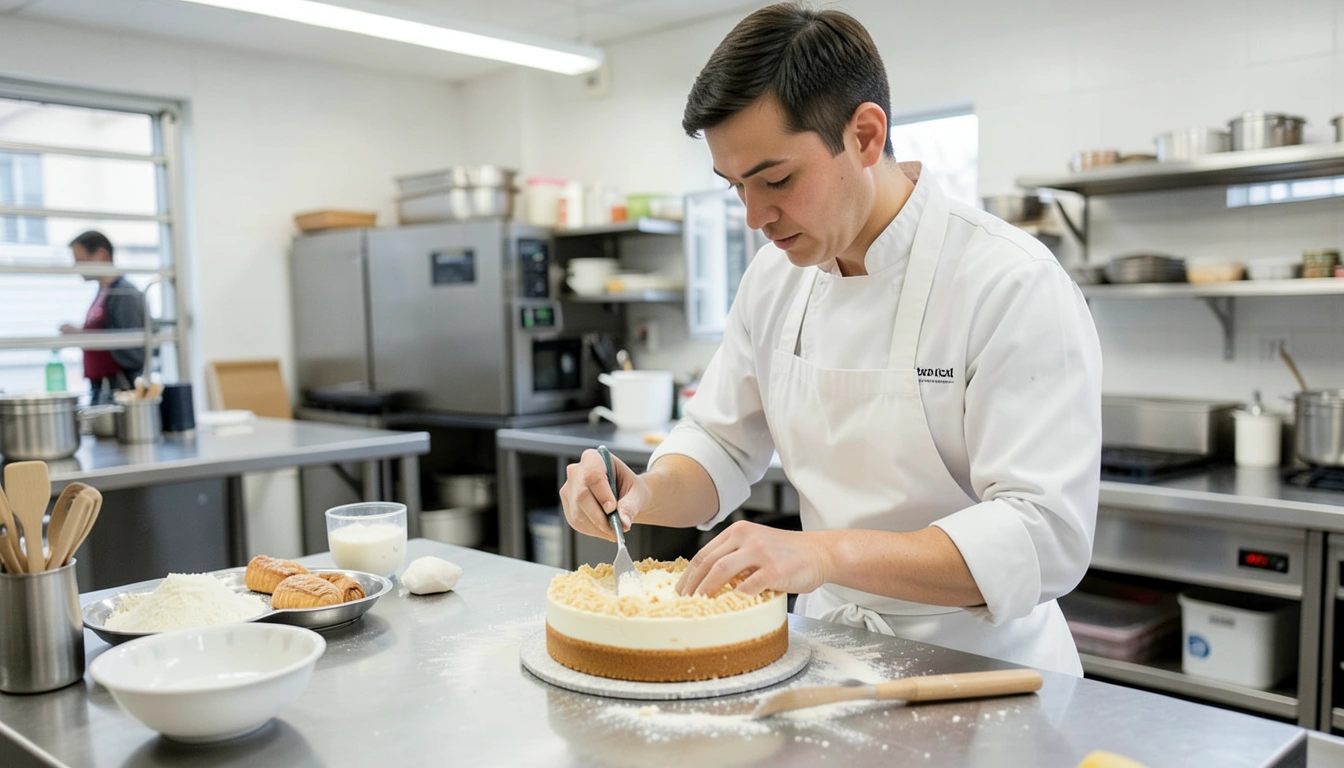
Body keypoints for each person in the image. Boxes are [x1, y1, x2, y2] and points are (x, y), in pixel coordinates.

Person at [559, 2, 1101, 676]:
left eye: (777, 180)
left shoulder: (1008, 283)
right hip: (828, 660)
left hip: (987, 673)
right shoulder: (775, 278)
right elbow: (722, 443)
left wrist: (823, 554)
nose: (756, 216)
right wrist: (643, 492)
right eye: (735, 188)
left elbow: (1044, 536)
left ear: (866, 136)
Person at [59, 230, 145, 396]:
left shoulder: (124, 294)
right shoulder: (104, 292)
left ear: (102, 255)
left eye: (80, 261)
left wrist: (83, 336)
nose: (76, 267)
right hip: (100, 386)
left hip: (118, 388)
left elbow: (132, 350)